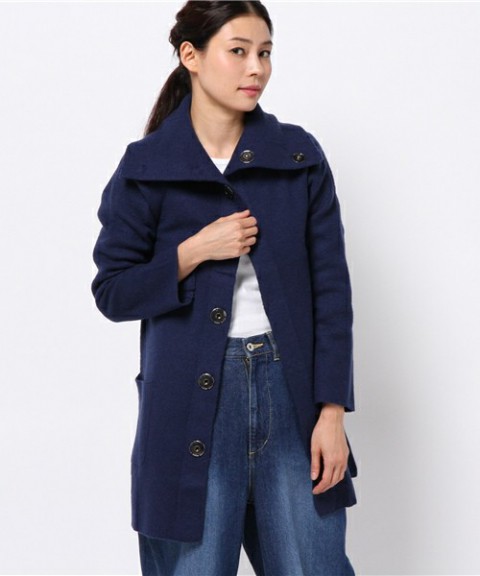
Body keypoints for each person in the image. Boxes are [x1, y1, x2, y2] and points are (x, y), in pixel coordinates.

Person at [92, 1, 357, 574]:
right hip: (186, 404)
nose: (255, 68)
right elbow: (113, 290)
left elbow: (333, 293)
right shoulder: (147, 167)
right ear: (190, 55)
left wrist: (333, 413)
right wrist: (191, 252)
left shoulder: (298, 157)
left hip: (293, 398)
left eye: (265, 53)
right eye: (238, 51)